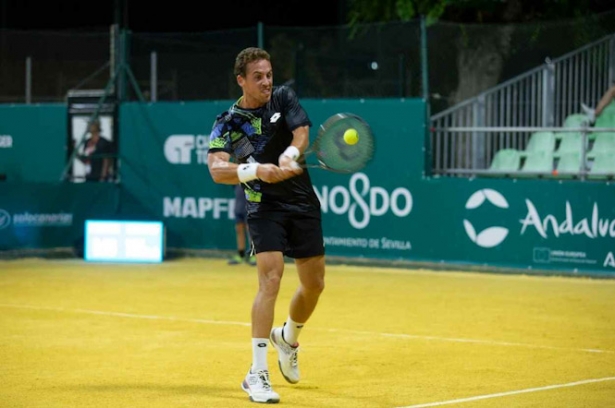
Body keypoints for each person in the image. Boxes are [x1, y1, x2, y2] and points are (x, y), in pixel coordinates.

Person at [207, 47, 326, 404]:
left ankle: (288, 338)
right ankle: (257, 373)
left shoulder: (283, 97)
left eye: (269, 74)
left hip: (302, 202)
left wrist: (290, 155)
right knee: (271, 278)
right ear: (241, 80)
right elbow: (217, 171)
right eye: (258, 76)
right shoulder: (227, 121)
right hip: (263, 206)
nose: (266, 81)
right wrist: (257, 170)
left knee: (315, 285)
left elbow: (301, 132)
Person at [229, 183, 257, 266]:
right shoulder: (236, 180)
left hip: (251, 206)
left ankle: (254, 255)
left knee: (251, 229)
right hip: (239, 206)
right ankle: (241, 254)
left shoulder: (253, 180)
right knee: (239, 228)